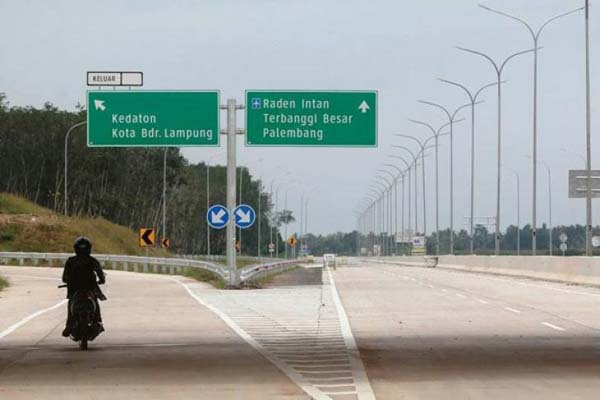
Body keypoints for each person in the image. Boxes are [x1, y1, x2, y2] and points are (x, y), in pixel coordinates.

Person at [61, 236, 106, 337]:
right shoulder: (92, 260)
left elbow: (64, 277)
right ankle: (98, 321)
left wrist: (68, 281)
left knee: (71, 301)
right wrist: (101, 280)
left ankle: (69, 324)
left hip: (75, 288)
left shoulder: (71, 261)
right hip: (90, 287)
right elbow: (100, 274)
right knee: (95, 300)